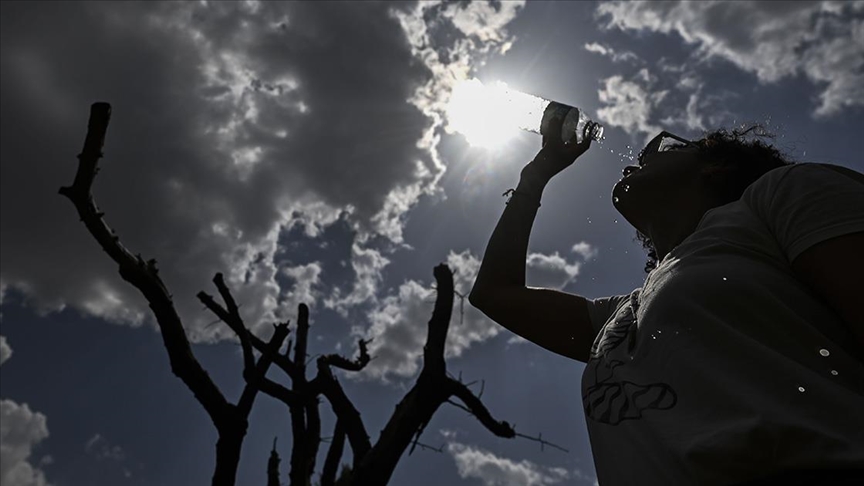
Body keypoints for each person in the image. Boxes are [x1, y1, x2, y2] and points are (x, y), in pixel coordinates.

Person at [468, 114, 864, 485]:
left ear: (716, 166)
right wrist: (535, 175)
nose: (641, 156)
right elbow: (496, 294)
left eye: (666, 147)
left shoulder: (779, 194)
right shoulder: (623, 315)